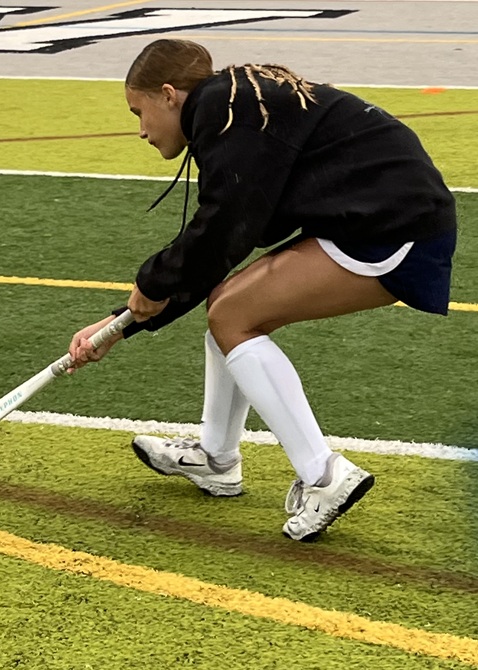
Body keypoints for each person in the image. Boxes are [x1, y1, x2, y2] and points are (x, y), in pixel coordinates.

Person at [68, 39, 456, 541]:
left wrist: (151, 284)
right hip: (380, 216)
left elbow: (223, 228)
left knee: (233, 314)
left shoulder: (226, 110)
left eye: (138, 112)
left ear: (168, 95)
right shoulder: (233, 105)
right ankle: (216, 457)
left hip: (393, 225)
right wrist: (123, 321)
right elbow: (221, 247)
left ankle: (323, 475)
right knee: (228, 305)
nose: (140, 130)